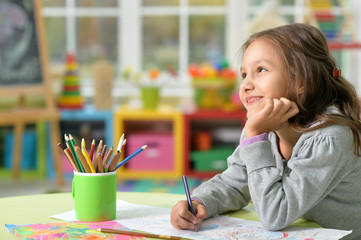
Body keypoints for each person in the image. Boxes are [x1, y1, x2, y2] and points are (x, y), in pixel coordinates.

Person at [170, 23, 361, 240]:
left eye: (261, 70)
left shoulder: (329, 138)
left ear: (301, 81)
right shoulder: (264, 128)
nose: (246, 85)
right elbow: (235, 182)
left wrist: (255, 135)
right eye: (244, 74)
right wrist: (200, 201)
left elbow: (275, 216)